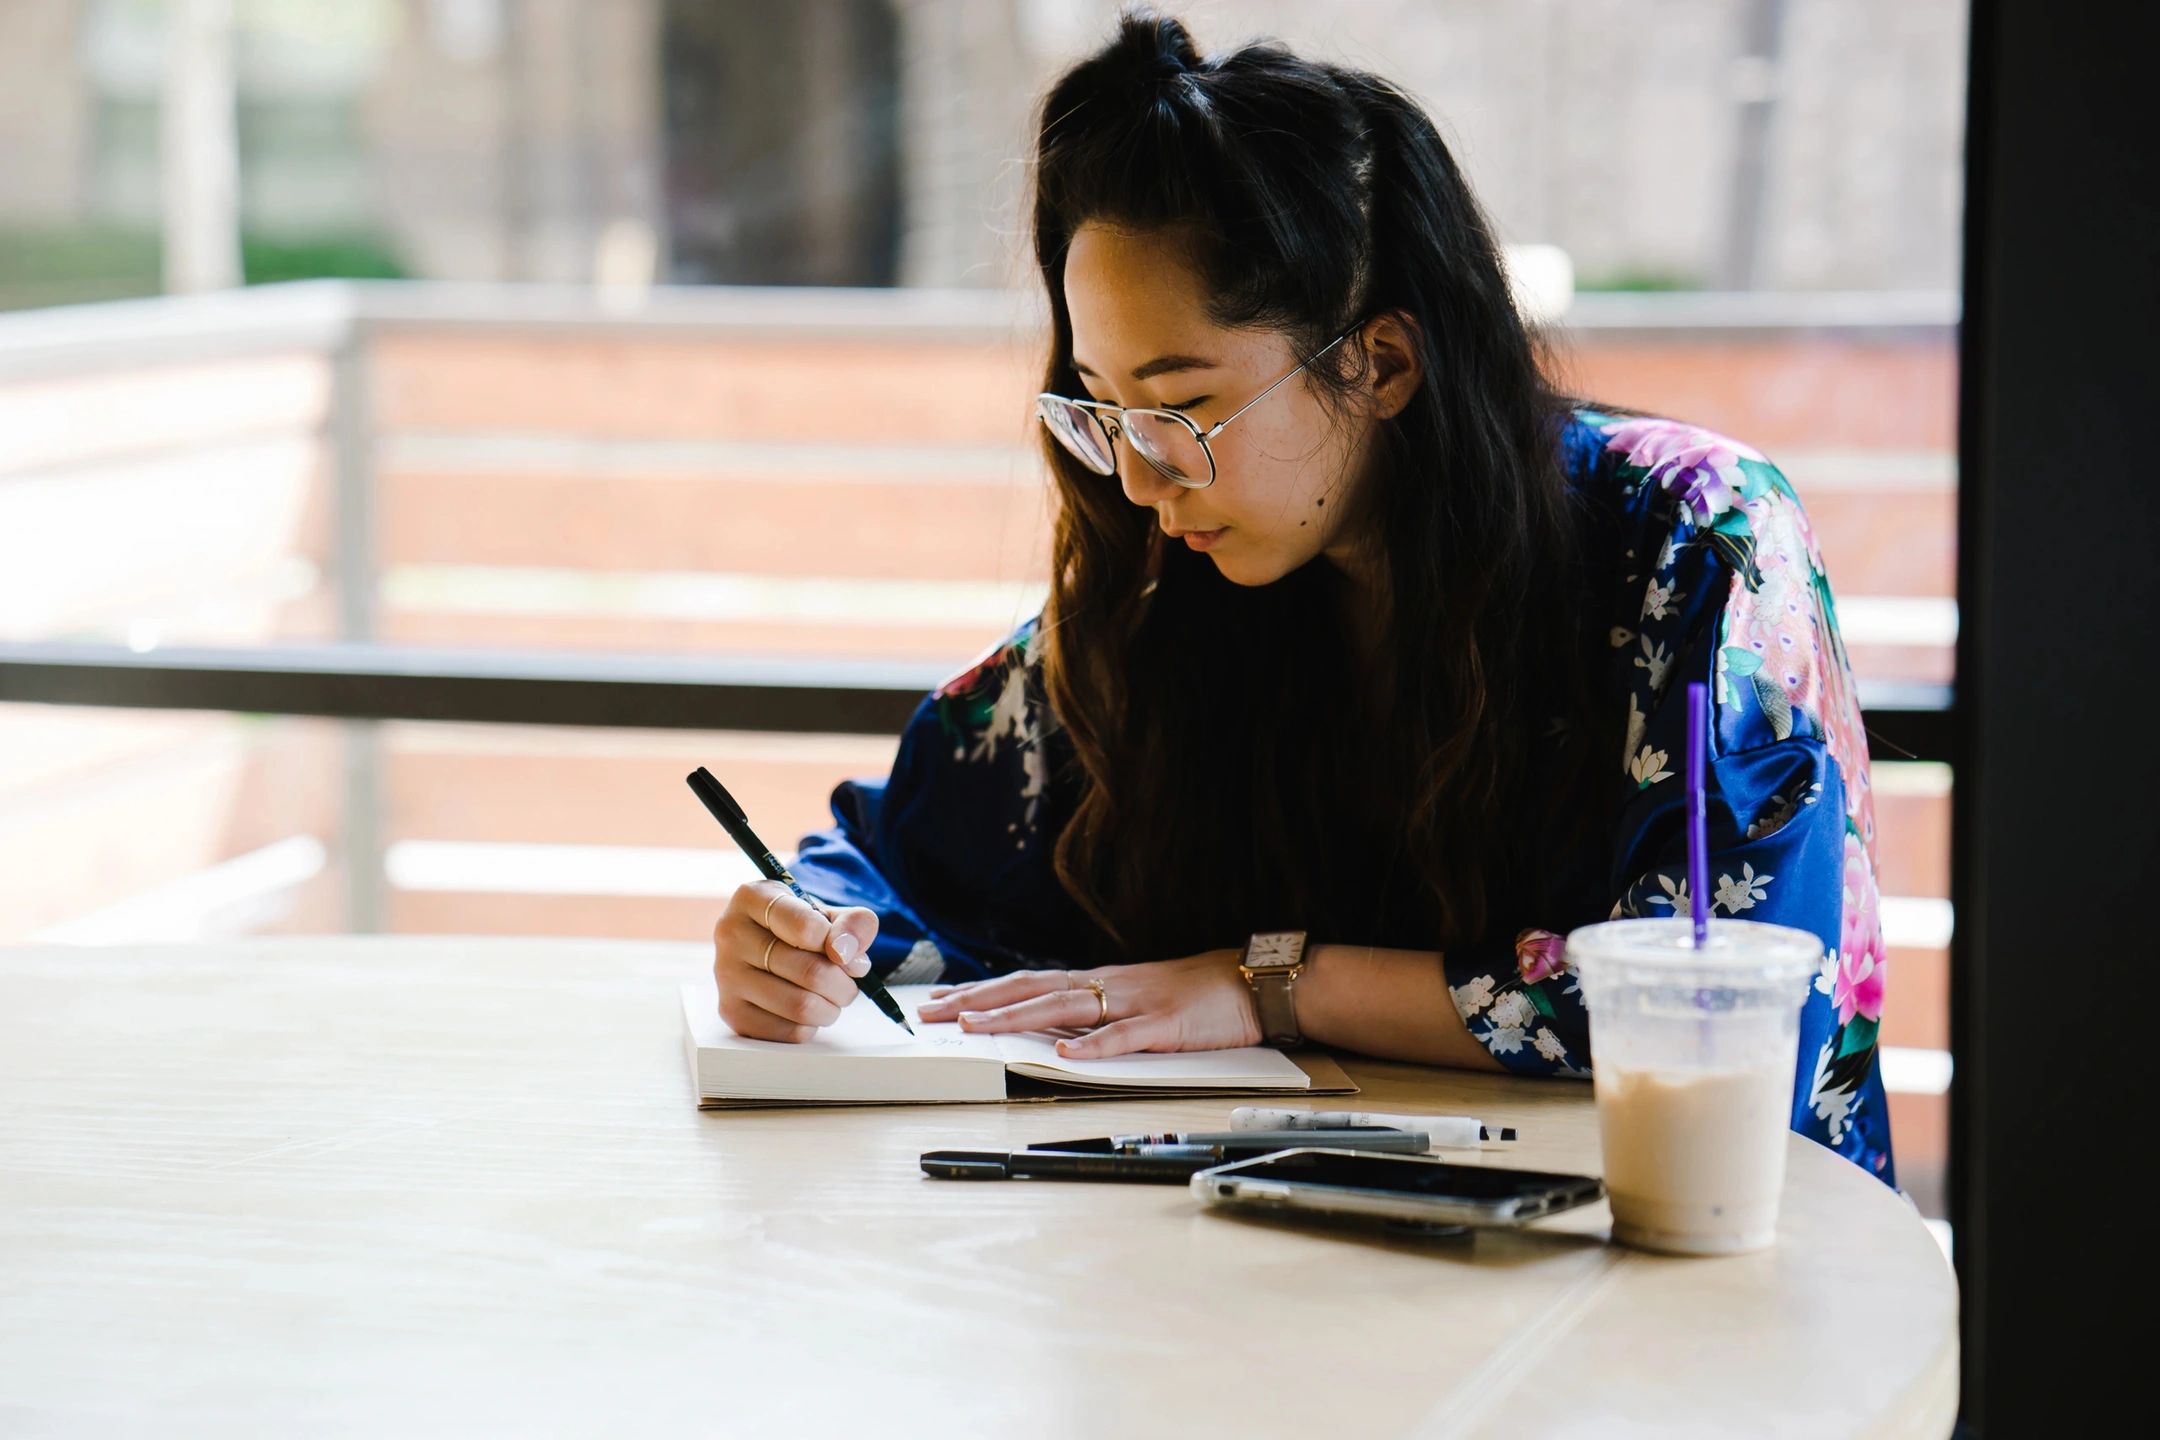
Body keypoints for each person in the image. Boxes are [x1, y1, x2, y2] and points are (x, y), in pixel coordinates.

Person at [709, 6, 1894, 1183]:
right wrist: (807, 940)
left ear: (1378, 362)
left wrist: (1267, 983)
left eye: (1179, 407)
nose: (1132, 475)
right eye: (1100, 407)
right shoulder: (1185, 585)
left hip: (1694, 1280)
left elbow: (1731, 1005)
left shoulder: (1695, 538)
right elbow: (901, 856)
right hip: (1292, 1285)